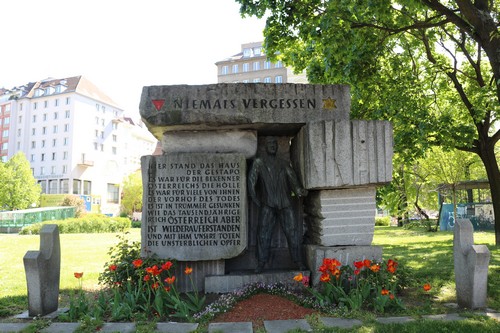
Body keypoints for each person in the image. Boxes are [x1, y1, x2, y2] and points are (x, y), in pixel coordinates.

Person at [248, 136, 308, 273]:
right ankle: (261, 262)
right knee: (263, 233)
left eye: (274, 143)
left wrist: (299, 190)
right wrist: (255, 198)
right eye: (270, 143)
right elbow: (252, 181)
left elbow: (292, 178)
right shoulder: (259, 163)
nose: (273, 146)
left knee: (292, 232)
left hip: (285, 203)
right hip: (267, 203)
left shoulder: (284, 163)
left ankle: (298, 261)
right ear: (265, 147)